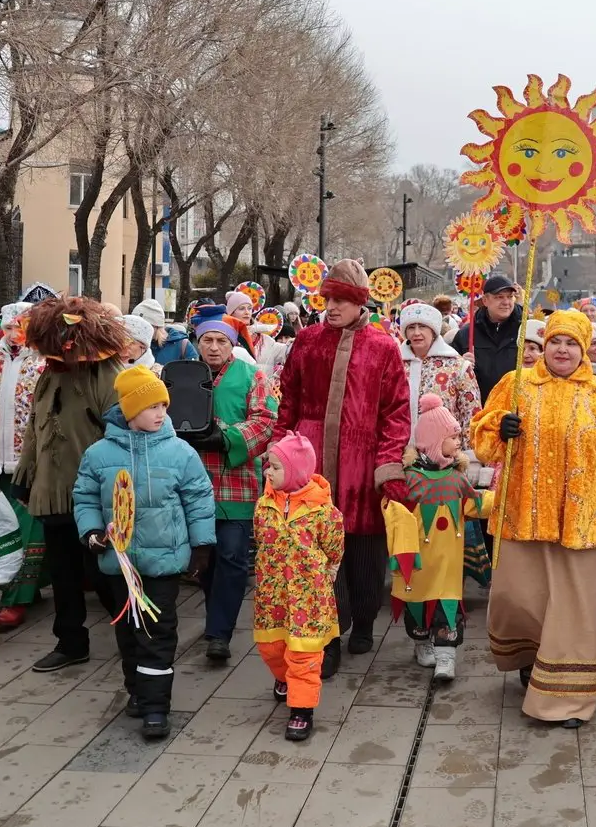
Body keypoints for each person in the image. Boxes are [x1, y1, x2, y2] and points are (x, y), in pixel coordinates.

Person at [473, 309, 596, 728]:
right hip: (521, 516)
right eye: (555, 342)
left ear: (584, 349)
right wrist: (500, 427)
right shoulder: (516, 386)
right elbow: (482, 443)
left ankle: (568, 698)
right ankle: (532, 662)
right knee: (519, 599)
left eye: (571, 343)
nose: (562, 350)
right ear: (542, 345)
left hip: (581, 525)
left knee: (574, 612)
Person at [276, 259, 411, 675]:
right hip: (312, 460)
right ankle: (328, 634)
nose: (331, 306)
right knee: (317, 554)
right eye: (327, 298)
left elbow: (397, 412)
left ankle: (365, 619)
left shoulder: (383, 346)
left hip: (363, 459)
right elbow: (289, 398)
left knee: (364, 550)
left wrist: (388, 465)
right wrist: (282, 444)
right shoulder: (308, 341)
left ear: (358, 303)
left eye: (340, 300)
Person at [74, 365, 215, 740]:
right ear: (128, 410)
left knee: (158, 632)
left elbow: (199, 499)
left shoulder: (179, 452)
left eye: (163, 407)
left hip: (163, 563)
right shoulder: (99, 453)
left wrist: (201, 546)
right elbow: (85, 496)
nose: (159, 413)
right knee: (128, 631)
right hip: (118, 563)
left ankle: (156, 707)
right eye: (151, 406)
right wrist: (91, 532)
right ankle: (137, 691)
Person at [13, 295, 126, 673]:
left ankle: (133, 632)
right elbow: (35, 427)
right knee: (62, 570)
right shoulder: (49, 374)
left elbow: (122, 431)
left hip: (92, 492)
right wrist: (26, 475)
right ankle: (70, 641)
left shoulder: (105, 374)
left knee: (102, 569)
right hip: (51, 488)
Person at [182, 308, 277, 662]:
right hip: (192, 481)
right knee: (204, 557)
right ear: (198, 343)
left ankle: (219, 633)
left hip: (236, 481)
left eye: (222, 340)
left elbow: (266, 420)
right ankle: (215, 618)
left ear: (232, 345)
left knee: (234, 556)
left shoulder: (252, 376)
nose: (214, 347)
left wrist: (225, 439)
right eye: (207, 340)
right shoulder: (180, 375)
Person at [383, 393, 482, 682]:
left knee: (447, 605)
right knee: (417, 604)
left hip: (448, 563)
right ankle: (421, 641)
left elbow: (473, 503)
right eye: (453, 437)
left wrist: (495, 503)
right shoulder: (411, 478)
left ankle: (446, 656)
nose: (458, 442)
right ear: (437, 441)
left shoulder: (458, 478)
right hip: (418, 562)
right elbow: (395, 510)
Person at [253, 431, 343, 742]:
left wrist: (324, 571)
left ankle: (302, 710)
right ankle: (284, 678)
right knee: (271, 647)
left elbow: (334, 547)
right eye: (269, 466)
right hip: (273, 595)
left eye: (276, 467)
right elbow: (261, 541)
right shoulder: (264, 504)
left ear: (295, 471)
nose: (268, 472)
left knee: (304, 654)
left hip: (309, 597)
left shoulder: (324, 512)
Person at [0, 302, 48, 629]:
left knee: (28, 531)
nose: (14, 335)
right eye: (9, 328)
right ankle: (25, 587)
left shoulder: (44, 366)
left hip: (31, 462)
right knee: (4, 530)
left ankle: (16, 599)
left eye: (20, 328)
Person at [399, 301, 480, 436]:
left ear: (433, 331)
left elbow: (471, 414)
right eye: (411, 327)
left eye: (423, 327)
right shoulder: (395, 364)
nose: (417, 333)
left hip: (446, 452)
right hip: (401, 450)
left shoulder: (458, 366)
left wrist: (467, 453)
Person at [451, 273, 523, 403]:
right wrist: (461, 364)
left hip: (516, 408)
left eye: (510, 297)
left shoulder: (525, 330)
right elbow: (450, 373)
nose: (506, 302)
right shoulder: (466, 334)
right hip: (479, 409)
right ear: (485, 300)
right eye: (499, 297)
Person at [132, 298, 197, 367]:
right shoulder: (133, 346)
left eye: (143, 326)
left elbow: (195, 373)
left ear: (156, 325)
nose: (138, 330)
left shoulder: (182, 345)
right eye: (135, 325)